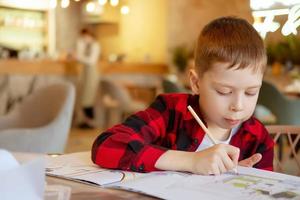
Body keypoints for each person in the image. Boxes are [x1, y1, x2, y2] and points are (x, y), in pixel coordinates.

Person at [91, 16, 274, 175]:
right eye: (224, 91)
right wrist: (191, 162)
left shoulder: (257, 137)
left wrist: (241, 177)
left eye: (251, 92)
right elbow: (107, 145)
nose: (238, 106)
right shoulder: (171, 111)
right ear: (195, 83)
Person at [75, 28, 100, 129]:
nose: (84, 38)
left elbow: (91, 60)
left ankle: (91, 122)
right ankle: (87, 121)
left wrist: (78, 57)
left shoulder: (95, 45)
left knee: (88, 99)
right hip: (86, 74)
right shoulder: (87, 45)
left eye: (85, 36)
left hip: (91, 75)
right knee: (84, 99)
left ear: (90, 35)